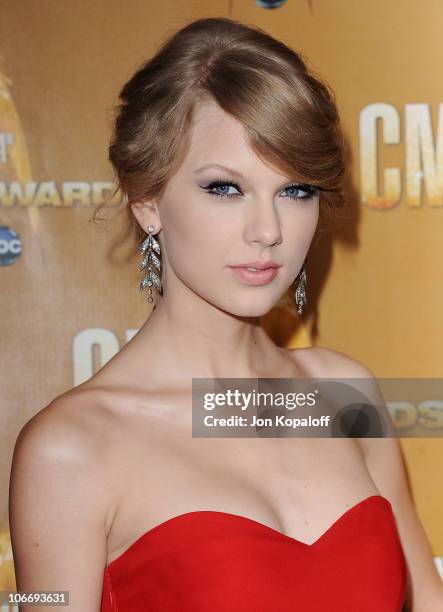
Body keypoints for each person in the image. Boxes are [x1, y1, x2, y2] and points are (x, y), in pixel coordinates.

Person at [9, 16, 443, 612]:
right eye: (224, 188)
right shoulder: (71, 449)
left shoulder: (345, 398)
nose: (268, 231)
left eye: (295, 191)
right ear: (148, 201)